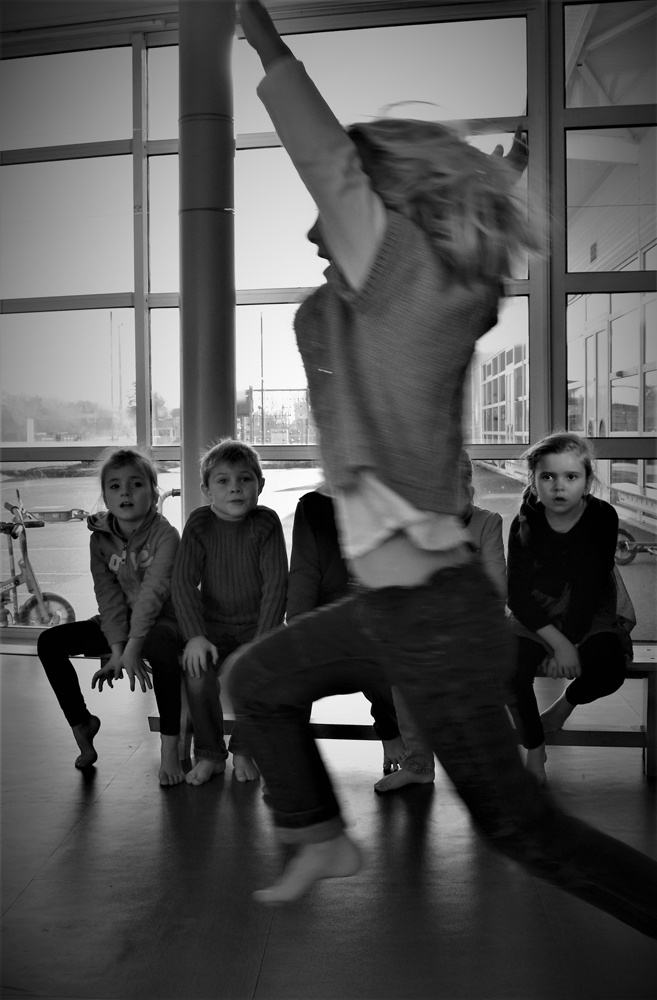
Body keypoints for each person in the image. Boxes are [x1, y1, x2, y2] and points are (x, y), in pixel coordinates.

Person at [227, 0, 657, 936]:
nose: (317, 226)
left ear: (378, 206)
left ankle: (316, 833)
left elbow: (326, 161)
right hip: (398, 608)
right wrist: (505, 172)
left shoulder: (398, 277)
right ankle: (316, 833)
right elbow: (399, 241)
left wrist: (256, 33)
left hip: (427, 611)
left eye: (334, 209)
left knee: (521, 830)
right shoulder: (423, 288)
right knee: (255, 682)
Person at [37, 447, 184, 786]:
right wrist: (118, 649)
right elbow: (108, 597)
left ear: (154, 492)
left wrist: (133, 648)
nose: (125, 493)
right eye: (115, 486)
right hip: (119, 622)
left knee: (160, 645)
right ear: (105, 496)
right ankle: (82, 725)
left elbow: (152, 596)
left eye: (136, 484)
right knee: (49, 642)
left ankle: (170, 746)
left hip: (163, 619)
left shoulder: (166, 535)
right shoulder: (100, 539)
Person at [374, 450, 507, 793]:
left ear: (468, 486)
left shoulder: (487, 522)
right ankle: (418, 765)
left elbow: (495, 589)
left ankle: (488, 767)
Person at [507, 431, 635, 784]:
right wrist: (557, 644)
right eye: (548, 476)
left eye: (571, 477)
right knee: (509, 672)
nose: (558, 486)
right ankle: (535, 748)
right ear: (533, 480)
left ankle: (563, 706)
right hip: (536, 613)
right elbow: (517, 596)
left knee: (609, 669)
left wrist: (571, 643)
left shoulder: (602, 516)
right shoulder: (524, 521)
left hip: (588, 610)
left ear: (587, 481)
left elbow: (590, 588)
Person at [171, 438, 287, 786]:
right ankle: (210, 754)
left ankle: (244, 749)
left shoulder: (265, 523)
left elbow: (276, 586)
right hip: (211, 628)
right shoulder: (199, 523)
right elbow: (183, 583)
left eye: (244, 479)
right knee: (196, 673)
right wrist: (194, 635)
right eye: (223, 481)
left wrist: (260, 643)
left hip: (259, 628)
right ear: (207, 490)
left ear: (260, 485)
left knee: (264, 674)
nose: (235, 488)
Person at [288, 485, 405, 775]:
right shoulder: (312, 506)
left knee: (379, 655)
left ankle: (390, 732)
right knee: (293, 669)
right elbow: (304, 570)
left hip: (376, 610)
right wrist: (299, 623)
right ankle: (292, 756)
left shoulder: (385, 496)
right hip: (327, 616)